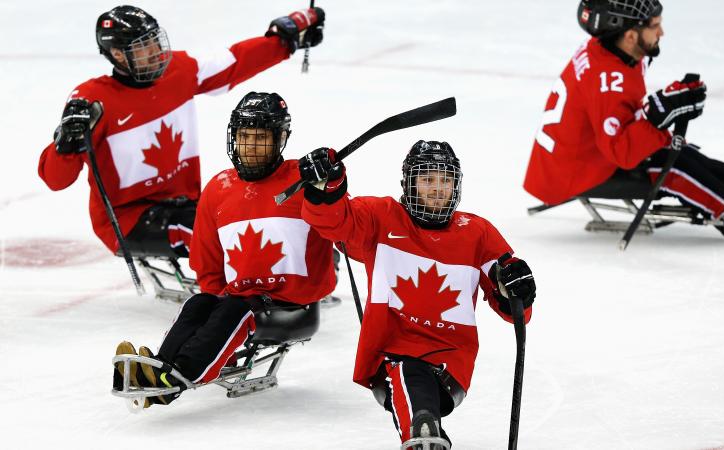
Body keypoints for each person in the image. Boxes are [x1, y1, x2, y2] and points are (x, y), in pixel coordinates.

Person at [297, 141, 537, 449]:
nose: (438, 189)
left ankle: (424, 433)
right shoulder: (381, 217)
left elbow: (515, 309)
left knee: (412, 375)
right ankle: (424, 434)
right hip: (388, 357)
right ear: (408, 183)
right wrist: (325, 187)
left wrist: (517, 286)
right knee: (406, 370)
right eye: (427, 179)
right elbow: (333, 221)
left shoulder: (477, 233)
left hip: (449, 367)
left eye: (446, 180)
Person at [38, 4, 325, 257]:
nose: (155, 52)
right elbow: (56, 180)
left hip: (187, 204)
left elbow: (232, 64)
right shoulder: (92, 101)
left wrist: (285, 40)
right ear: (117, 55)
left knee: (261, 212)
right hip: (130, 219)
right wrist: (65, 144)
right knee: (220, 234)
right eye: (142, 47)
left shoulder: (178, 71)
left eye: (154, 41)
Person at [113, 92, 336, 407]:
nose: (251, 147)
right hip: (244, 298)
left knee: (234, 310)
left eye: (261, 138)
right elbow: (208, 264)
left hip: (294, 303)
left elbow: (340, 220)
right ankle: (160, 369)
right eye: (245, 137)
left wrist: (332, 182)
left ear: (281, 138)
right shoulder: (219, 188)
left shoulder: (303, 180)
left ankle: (173, 382)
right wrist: (214, 305)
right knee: (199, 304)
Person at [522, 0, 724, 238]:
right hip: (576, 174)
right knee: (674, 165)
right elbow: (623, 154)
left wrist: (662, 107)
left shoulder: (609, 50)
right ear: (630, 35)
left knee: (677, 150)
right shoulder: (609, 82)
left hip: (572, 160)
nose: (661, 32)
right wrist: (657, 115)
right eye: (654, 26)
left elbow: (621, 119)